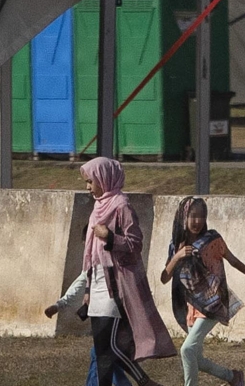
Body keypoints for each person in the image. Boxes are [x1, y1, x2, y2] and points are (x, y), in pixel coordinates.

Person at [80, 157, 176, 386]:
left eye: (90, 181)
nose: (87, 187)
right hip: (97, 282)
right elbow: (91, 255)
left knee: (110, 346)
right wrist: (87, 288)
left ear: (104, 178)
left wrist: (110, 237)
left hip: (116, 284)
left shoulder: (122, 205)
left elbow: (135, 244)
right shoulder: (97, 207)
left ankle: (144, 381)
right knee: (102, 349)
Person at [160, 196, 245, 386]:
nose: (197, 221)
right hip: (192, 304)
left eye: (202, 216)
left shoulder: (213, 239)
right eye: (193, 216)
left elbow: (233, 261)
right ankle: (233, 377)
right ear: (183, 218)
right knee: (196, 357)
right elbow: (164, 278)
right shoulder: (176, 244)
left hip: (214, 301)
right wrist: (177, 256)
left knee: (187, 350)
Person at [44, 270, 133, 386]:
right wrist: (59, 305)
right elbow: (80, 283)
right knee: (100, 353)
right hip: (101, 316)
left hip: (120, 315)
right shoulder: (93, 263)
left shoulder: (119, 261)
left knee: (100, 353)